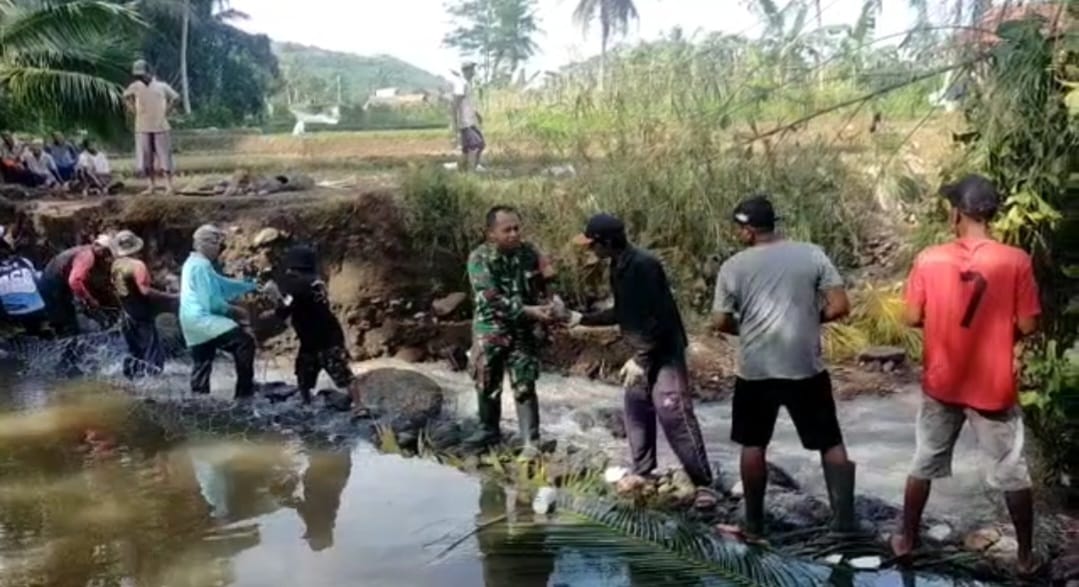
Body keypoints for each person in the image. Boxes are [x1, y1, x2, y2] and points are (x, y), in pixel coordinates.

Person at [891, 175, 1041, 575]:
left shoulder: (929, 258)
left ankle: (906, 539)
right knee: (1011, 469)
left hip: (943, 383)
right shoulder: (1016, 260)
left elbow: (910, 317)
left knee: (924, 460)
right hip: (994, 386)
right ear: (990, 214)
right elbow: (1027, 325)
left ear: (956, 212)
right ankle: (1025, 557)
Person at [711, 194, 856, 541]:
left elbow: (719, 320)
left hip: (756, 370)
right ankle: (844, 523)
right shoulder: (811, 254)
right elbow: (839, 305)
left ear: (747, 230)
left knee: (753, 444)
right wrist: (810, 319)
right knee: (830, 442)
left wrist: (744, 329)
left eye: (738, 228)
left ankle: (754, 525)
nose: (737, 234)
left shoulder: (734, 266)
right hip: (804, 366)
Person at [568, 214, 717, 509]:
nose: (590, 250)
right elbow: (623, 312)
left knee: (674, 415)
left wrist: (640, 358)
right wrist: (580, 318)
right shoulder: (619, 266)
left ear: (607, 242)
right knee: (635, 408)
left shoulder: (644, 265)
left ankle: (704, 485)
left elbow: (656, 317)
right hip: (644, 352)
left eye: (592, 244)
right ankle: (644, 471)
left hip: (664, 353)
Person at [465, 206, 555, 456]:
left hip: (522, 330)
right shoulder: (479, 259)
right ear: (491, 233)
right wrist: (530, 311)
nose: (514, 234)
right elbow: (491, 298)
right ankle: (488, 430)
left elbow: (545, 282)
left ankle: (530, 441)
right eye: (507, 230)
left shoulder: (529, 253)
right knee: (487, 381)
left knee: (525, 383)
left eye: (517, 228)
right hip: (491, 328)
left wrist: (550, 305)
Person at [268, 244, 366, 414]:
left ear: (294, 267)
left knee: (307, 375)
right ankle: (359, 406)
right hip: (327, 337)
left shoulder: (297, 285)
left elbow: (285, 309)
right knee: (340, 373)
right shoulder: (314, 281)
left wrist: (274, 299)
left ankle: (307, 403)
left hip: (317, 340)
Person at [179, 224, 258, 399]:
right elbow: (212, 303)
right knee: (245, 343)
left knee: (203, 361)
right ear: (204, 244)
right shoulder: (201, 266)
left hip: (190, 322)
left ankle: (198, 401)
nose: (218, 249)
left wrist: (251, 285)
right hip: (204, 320)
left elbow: (221, 284)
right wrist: (237, 312)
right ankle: (244, 395)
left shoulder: (193, 263)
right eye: (216, 244)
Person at [111, 230, 177, 379]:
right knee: (153, 355)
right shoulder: (138, 265)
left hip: (126, 314)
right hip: (142, 315)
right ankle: (153, 388)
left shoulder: (116, 264)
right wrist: (171, 297)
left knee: (134, 353)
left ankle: (131, 384)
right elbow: (145, 291)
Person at [39, 234, 115, 337]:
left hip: (52, 280)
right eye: (107, 252)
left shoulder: (85, 249)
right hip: (53, 285)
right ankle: (70, 346)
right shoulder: (87, 257)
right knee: (66, 321)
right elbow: (75, 281)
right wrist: (89, 299)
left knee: (67, 314)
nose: (107, 255)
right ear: (99, 247)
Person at [123, 59, 179, 195]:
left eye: (143, 75)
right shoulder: (135, 86)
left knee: (164, 157)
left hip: (160, 125)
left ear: (149, 72)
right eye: (139, 76)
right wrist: (133, 110)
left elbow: (176, 98)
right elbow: (125, 97)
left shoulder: (161, 86)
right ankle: (151, 186)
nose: (141, 78)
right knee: (146, 158)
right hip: (142, 127)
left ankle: (169, 186)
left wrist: (167, 111)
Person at [0, 227, 48, 336]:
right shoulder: (23, 261)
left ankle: (9, 329)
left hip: (14, 316)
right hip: (39, 309)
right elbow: (40, 280)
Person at [451, 61, 485, 172]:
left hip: (470, 121)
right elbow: (455, 104)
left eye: (473, 69)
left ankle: (463, 172)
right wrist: (454, 123)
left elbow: (467, 103)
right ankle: (470, 172)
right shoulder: (462, 84)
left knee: (469, 149)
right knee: (476, 146)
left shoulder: (467, 84)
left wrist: (476, 113)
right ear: (466, 71)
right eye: (471, 69)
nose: (473, 72)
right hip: (466, 122)